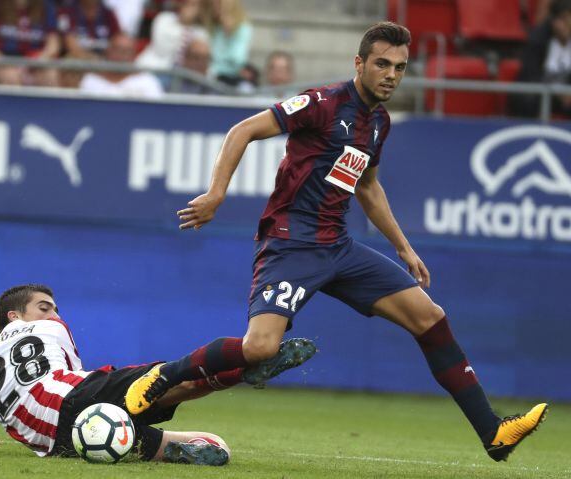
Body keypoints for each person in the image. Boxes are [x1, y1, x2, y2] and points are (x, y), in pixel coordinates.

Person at [124, 21, 549, 463]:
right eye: (382, 64)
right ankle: (163, 376)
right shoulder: (322, 103)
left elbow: (367, 186)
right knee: (260, 348)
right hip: (290, 245)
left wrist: (403, 247)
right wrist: (215, 194)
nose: (391, 74)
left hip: (339, 248)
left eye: (400, 67)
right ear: (359, 64)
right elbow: (242, 131)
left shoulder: (379, 122)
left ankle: (493, 432)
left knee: (430, 318)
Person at [0, 284, 316, 466]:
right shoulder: (51, 330)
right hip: (78, 396)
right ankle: (247, 361)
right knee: (173, 374)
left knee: (149, 419)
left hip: (57, 441)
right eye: (44, 305)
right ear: (16, 316)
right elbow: (75, 376)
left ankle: (162, 442)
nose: (54, 312)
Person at [0, 0, 61, 87]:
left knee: (50, 76)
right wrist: (3, 62)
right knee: (11, 76)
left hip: (33, 62)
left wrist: (39, 60)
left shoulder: (45, 4)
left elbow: (54, 44)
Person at [508, 0, 571, 118]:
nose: (569, 25)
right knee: (527, 99)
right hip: (540, 91)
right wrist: (557, 92)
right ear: (555, 21)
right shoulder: (538, 40)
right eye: (565, 20)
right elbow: (530, 75)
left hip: (567, 94)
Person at [79, 33, 164, 98]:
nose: (121, 56)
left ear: (134, 55)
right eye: (117, 50)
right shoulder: (91, 80)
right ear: (108, 51)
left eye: (126, 52)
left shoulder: (147, 81)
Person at [205, 0, 252, 85]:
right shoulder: (214, 28)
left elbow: (238, 59)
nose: (214, 7)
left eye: (219, 3)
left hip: (228, 79)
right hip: (209, 76)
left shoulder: (242, 28)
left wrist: (229, 36)